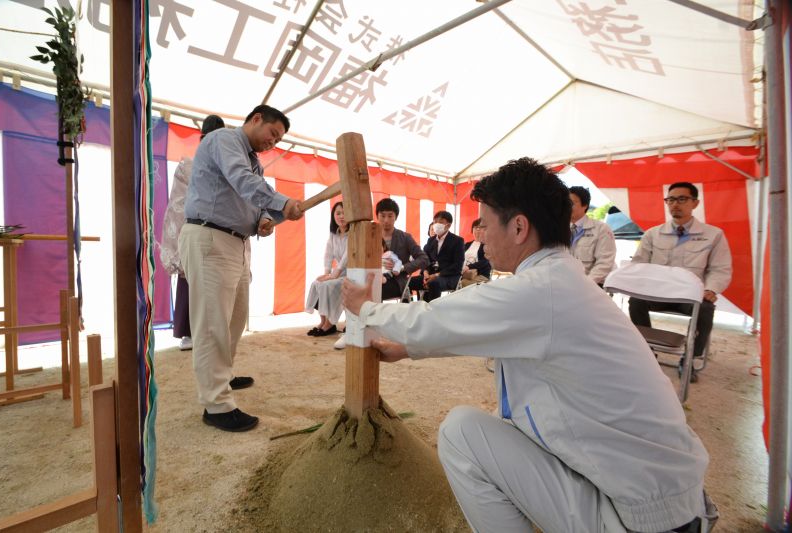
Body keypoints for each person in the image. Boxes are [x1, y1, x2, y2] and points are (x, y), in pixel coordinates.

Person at [343, 157, 717, 533]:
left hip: (643, 517)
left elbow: (432, 318)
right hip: (654, 499)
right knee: (488, 428)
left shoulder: (543, 290)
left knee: (462, 435)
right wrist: (408, 348)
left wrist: (365, 308)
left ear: (519, 226)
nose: (481, 237)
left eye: (485, 226)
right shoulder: (558, 281)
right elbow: (482, 327)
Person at [179, 104, 303, 432]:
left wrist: (266, 217)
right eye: (272, 134)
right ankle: (216, 405)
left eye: (278, 140)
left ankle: (224, 377)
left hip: (237, 242)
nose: (271, 142)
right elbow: (242, 181)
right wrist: (283, 203)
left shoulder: (254, 162)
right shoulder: (223, 140)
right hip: (210, 236)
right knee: (212, 323)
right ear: (256, 119)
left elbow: (257, 202)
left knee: (235, 318)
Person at [629, 181, 732, 380]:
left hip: (690, 296)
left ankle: (689, 359)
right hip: (658, 293)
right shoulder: (653, 234)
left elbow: (720, 269)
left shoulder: (713, 235)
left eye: (682, 199)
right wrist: (638, 283)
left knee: (706, 308)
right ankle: (647, 352)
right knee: (636, 301)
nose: (675, 204)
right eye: (671, 200)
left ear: (695, 203)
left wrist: (711, 289)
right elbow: (640, 264)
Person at [160, 115, 225, 351]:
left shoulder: (228, 167)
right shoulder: (188, 166)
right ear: (203, 139)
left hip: (220, 236)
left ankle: (215, 333)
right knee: (191, 280)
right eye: (211, 138)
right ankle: (188, 333)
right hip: (195, 229)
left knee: (219, 286)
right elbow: (177, 205)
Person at [305, 201, 348, 337]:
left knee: (328, 285)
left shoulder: (354, 233)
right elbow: (328, 254)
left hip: (351, 273)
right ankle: (323, 321)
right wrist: (326, 273)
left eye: (345, 213)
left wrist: (334, 275)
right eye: (338, 213)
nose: (341, 216)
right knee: (317, 283)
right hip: (338, 273)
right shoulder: (333, 234)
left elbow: (347, 257)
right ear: (333, 216)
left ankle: (330, 323)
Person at [375, 198, 430, 301]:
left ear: (396, 217)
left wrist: (402, 267)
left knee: (374, 290)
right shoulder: (371, 237)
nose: (386, 220)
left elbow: (424, 259)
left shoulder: (405, 237)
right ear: (377, 216)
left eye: (390, 216)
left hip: (397, 281)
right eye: (382, 216)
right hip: (375, 277)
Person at [409, 211, 464, 302]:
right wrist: (425, 272)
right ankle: (413, 307)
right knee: (408, 282)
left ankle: (433, 311)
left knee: (434, 283)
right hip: (430, 274)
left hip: (449, 276)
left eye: (441, 222)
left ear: (448, 225)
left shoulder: (457, 241)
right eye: (435, 222)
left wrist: (436, 275)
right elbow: (424, 259)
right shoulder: (431, 240)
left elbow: (457, 266)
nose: (436, 224)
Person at [568, 185, 616, 286]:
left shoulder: (601, 229)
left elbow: (605, 263)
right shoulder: (560, 229)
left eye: (571, 203)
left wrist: (585, 284)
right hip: (565, 283)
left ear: (584, 205)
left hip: (591, 285)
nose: (567, 206)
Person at [460, 218, 491, 288]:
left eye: (480, 228)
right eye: (475, 227)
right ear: (472, 230)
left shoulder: (486, 244)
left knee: (463, 283)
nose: (477, 230)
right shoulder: (467, 244)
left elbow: (485, 261)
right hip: (464, 274)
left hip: (481, 275)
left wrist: (468, 267)